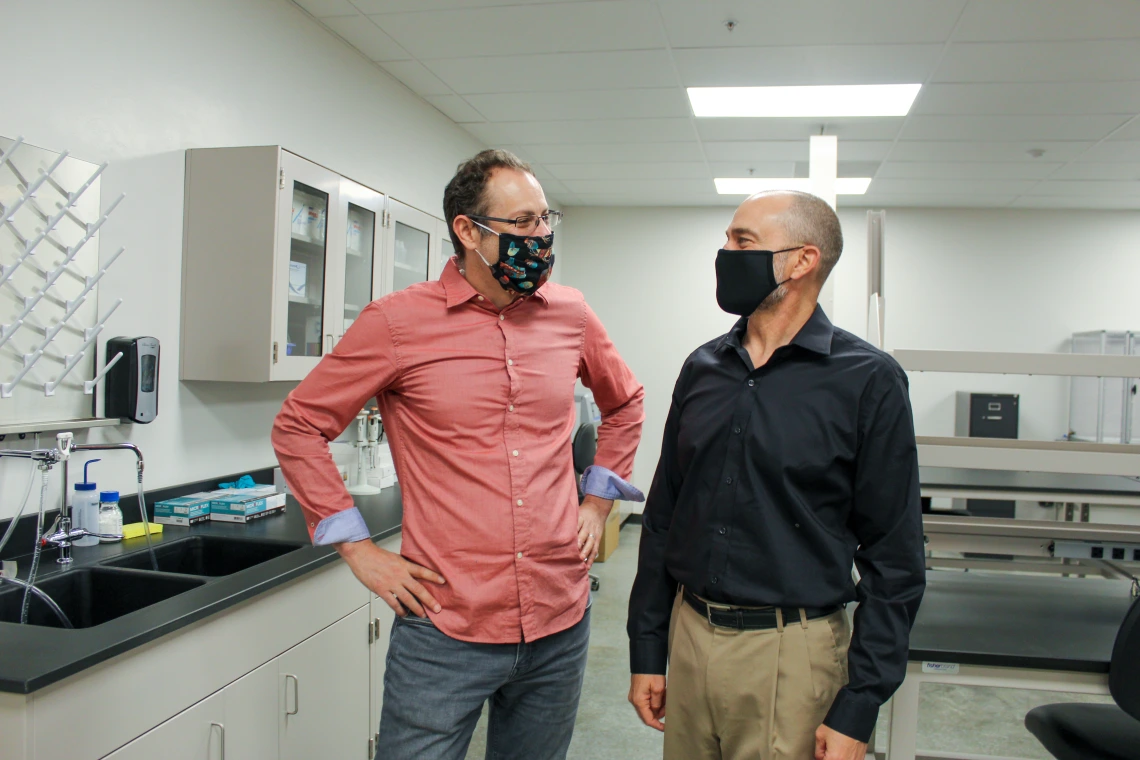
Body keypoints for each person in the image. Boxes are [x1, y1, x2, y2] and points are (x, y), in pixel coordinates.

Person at [273, 149, 645, 760]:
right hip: (446, 623)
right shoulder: (396, 323)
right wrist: (359, 550)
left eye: (546, 218)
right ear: (468, 231)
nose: (542, 235)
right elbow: (299, 425)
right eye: (522, 223)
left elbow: (625, 402)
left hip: (559, 615)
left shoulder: (571, 314)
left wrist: (598, 502)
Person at [626, 190, 926, 760]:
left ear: (801, 260)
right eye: (727, 239)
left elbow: (896, 559)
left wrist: (859, 704)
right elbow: (664, 517)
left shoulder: (868, 381)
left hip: (792, 655)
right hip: (690, 639)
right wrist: (648, 648)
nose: (725, 253)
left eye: (743, 242)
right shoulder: (703, 367)